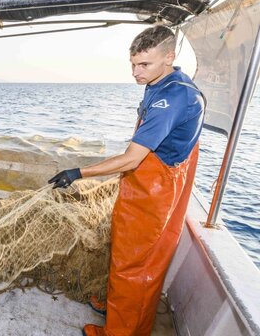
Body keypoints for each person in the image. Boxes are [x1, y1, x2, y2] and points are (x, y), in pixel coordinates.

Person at [48, 26, 204, 336]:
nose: (135, 72)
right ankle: (121, 304)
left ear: (169, 57)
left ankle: (119, 331)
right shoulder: (162, 81)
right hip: (147, 182)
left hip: (154, 191)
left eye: (144, 64)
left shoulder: (173, 98)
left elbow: (133, 159)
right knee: (128, 257)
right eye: (132, 64)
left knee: (133, 265)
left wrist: (77, 173)